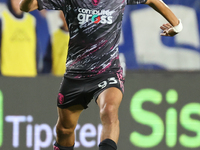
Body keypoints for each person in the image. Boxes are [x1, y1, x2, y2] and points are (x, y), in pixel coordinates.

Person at [19, 0, 183, 150]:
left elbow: (152, 0)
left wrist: (177, 25)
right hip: (76, 75)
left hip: (107, 71)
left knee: (109, 111)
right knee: (64, 129)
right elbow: (25, 7)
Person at [42, 11, 70, 76]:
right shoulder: (54, 36)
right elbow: (48, 61)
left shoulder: (80, 36)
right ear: (59, 15)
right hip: (57, 79)